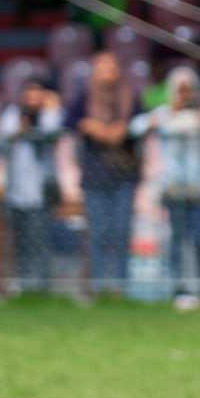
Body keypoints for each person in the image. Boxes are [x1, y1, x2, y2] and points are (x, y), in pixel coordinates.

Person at [131, 66, 200, 300]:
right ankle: (176, 287)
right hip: (174, 187)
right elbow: (136, 128)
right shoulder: (166, 113)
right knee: (176, 240)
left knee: (199, 238)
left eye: (188, 90)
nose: (185, 95)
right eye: (180, 90)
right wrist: (165, 114)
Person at [66, 51, 141, 295]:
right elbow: (68, 122)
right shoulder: (85, 98)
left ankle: (122, 287)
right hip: (95, 176)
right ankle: (97, 287)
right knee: (98, 233)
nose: (106, 71)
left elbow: (142, 122)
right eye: (101, 66)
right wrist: (93, 127)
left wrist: (122, 129)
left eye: (111, 66)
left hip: (124, 174)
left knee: (121, 232)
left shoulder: (130, 98)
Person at [0, 79, 64, 292]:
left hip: (41, 188)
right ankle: (23, 283)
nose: (34, 98)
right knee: (20, 240)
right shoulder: (12, 113)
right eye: (30, 93)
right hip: (16, 187)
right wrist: (20, 131)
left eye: (39, 93)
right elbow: (3, 140)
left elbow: (52, 131)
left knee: (40, 238)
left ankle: (41, 285)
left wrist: (52, 107)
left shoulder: (48, 114)